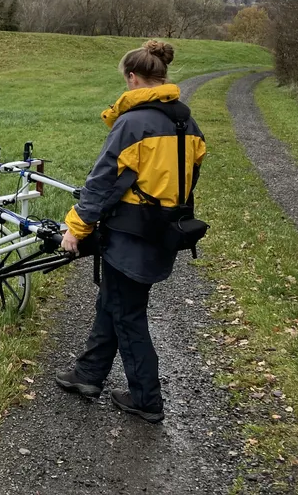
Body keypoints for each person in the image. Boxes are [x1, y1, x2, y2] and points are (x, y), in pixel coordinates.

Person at [54, 39, 206, 423]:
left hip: (130, 234)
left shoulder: (134, 123)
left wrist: (76, 228)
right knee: (114, 301)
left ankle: (146, 398)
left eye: (126, 81)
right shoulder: (185, 120)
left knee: (128, 314)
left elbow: (104, 182)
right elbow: (189, 176)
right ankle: (89, 375)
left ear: (134, 78)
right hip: (165, 229)